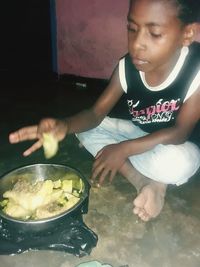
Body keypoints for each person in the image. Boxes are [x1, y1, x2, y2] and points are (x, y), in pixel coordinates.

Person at [9, 0, 200, 222]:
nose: (137, 44)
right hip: (138, 135)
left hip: (175, 146)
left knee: (182, 162)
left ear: (187, 34)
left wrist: (123, 149)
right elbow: (95, 114)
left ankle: (158, 183)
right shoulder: (127, 67)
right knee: (84, 130)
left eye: (154, 33)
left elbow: (180, 132)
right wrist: (65, 126)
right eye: (132, 29)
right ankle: (141, 181)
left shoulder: (195, 70)